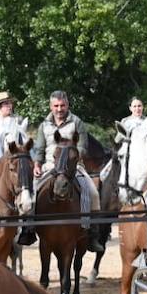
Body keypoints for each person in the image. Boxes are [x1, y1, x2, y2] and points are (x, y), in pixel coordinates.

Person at [31, 90, 103, 252]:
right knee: (32, 193)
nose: (59, 109)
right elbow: (39, 149)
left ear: (67, 105)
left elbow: (82, 147)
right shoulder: (44, 125)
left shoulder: (77, 122)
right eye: (56, 106)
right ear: (51, 106)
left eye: (62, 105)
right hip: (50, 166)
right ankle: (28, 229)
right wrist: (37, 165)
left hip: (73, 166)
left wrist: (72, 161)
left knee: (92, 193)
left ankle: (91, 233)